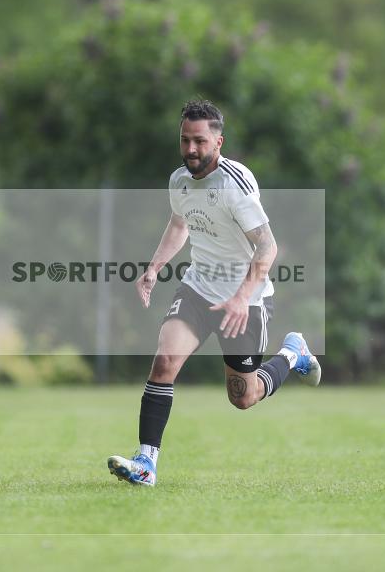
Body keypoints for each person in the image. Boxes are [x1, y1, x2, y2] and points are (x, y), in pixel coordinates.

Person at [107, 99, 321, 487]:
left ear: (218, 143)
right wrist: (154, 267)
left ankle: (293, 353)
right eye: (185, 140)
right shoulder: (179, 181)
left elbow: (267, 247)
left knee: (243, 397)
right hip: (197, 287)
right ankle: (146, 463)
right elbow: (179, 225)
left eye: (200, 142)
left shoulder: (234, 185)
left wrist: (241, 297)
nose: (191, 149)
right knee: (164, 363)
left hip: (245, 300)